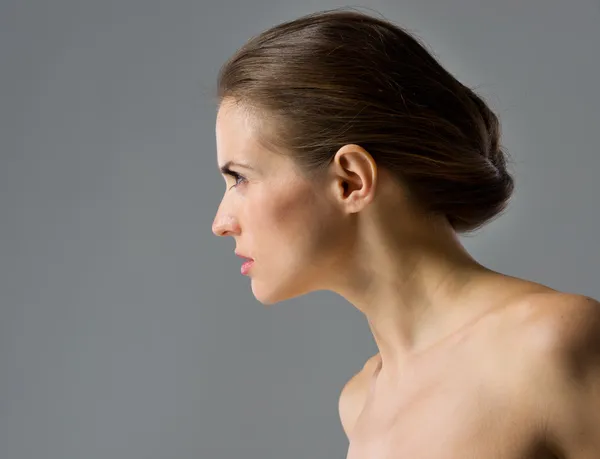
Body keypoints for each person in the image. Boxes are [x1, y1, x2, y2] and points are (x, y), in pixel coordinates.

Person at [211, 8, 600, 459]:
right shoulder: (360, 404)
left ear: (350, 181)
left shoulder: (550, 345)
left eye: (240, 178)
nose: (221, 222)